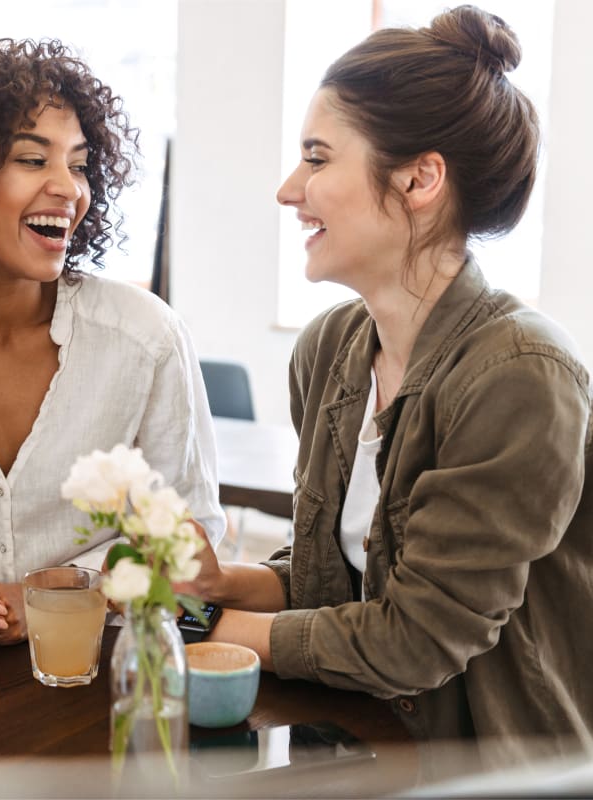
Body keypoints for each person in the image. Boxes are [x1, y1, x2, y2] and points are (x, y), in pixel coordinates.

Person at [181, 4, 593, 778]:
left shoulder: (523, 375)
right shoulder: (329, 350)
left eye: (316, 158)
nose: (286, 189)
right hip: (352, 740)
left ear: (419, 177)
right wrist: (220, 584)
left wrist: (204, 627)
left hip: (493, 771)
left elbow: (415, 640)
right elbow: (342, 583)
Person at [0, 39, 223, 645]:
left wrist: (62, 592)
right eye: (33, 161)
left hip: (104, 670)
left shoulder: (144, 338)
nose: (69, 188)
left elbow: (192, 542)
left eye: (80, 164)